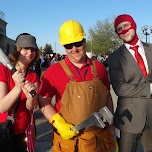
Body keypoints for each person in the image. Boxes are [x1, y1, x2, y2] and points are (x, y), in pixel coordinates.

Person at [38, 20, 115, 152]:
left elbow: (107, 97)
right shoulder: (53, 71)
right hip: (70, 143)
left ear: (84, 42)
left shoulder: (100, 68)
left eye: (78, 43)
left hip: (99, 140)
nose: (74, 49)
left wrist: (112, 124)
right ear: (64, 46)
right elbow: (43, 100)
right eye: (69, 45)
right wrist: (58, 123)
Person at [108, 14, 152, 152]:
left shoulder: (151, 49)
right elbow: (120, 88)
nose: (124, 30)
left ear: (134, 24)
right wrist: (149, 88)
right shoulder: (115, 57)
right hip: (128, 119)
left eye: (126, 25)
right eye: (119, 29)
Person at [0, 33, 40, 152]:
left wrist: (30, 98)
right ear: (18, 50)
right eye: (25, 48)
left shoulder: (34, 77)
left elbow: (31, 107)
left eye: (33, 49)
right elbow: (2, 107)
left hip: (25, 132)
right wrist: (18, 87)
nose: (30, 52)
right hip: (4, 130)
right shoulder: (3, 70)